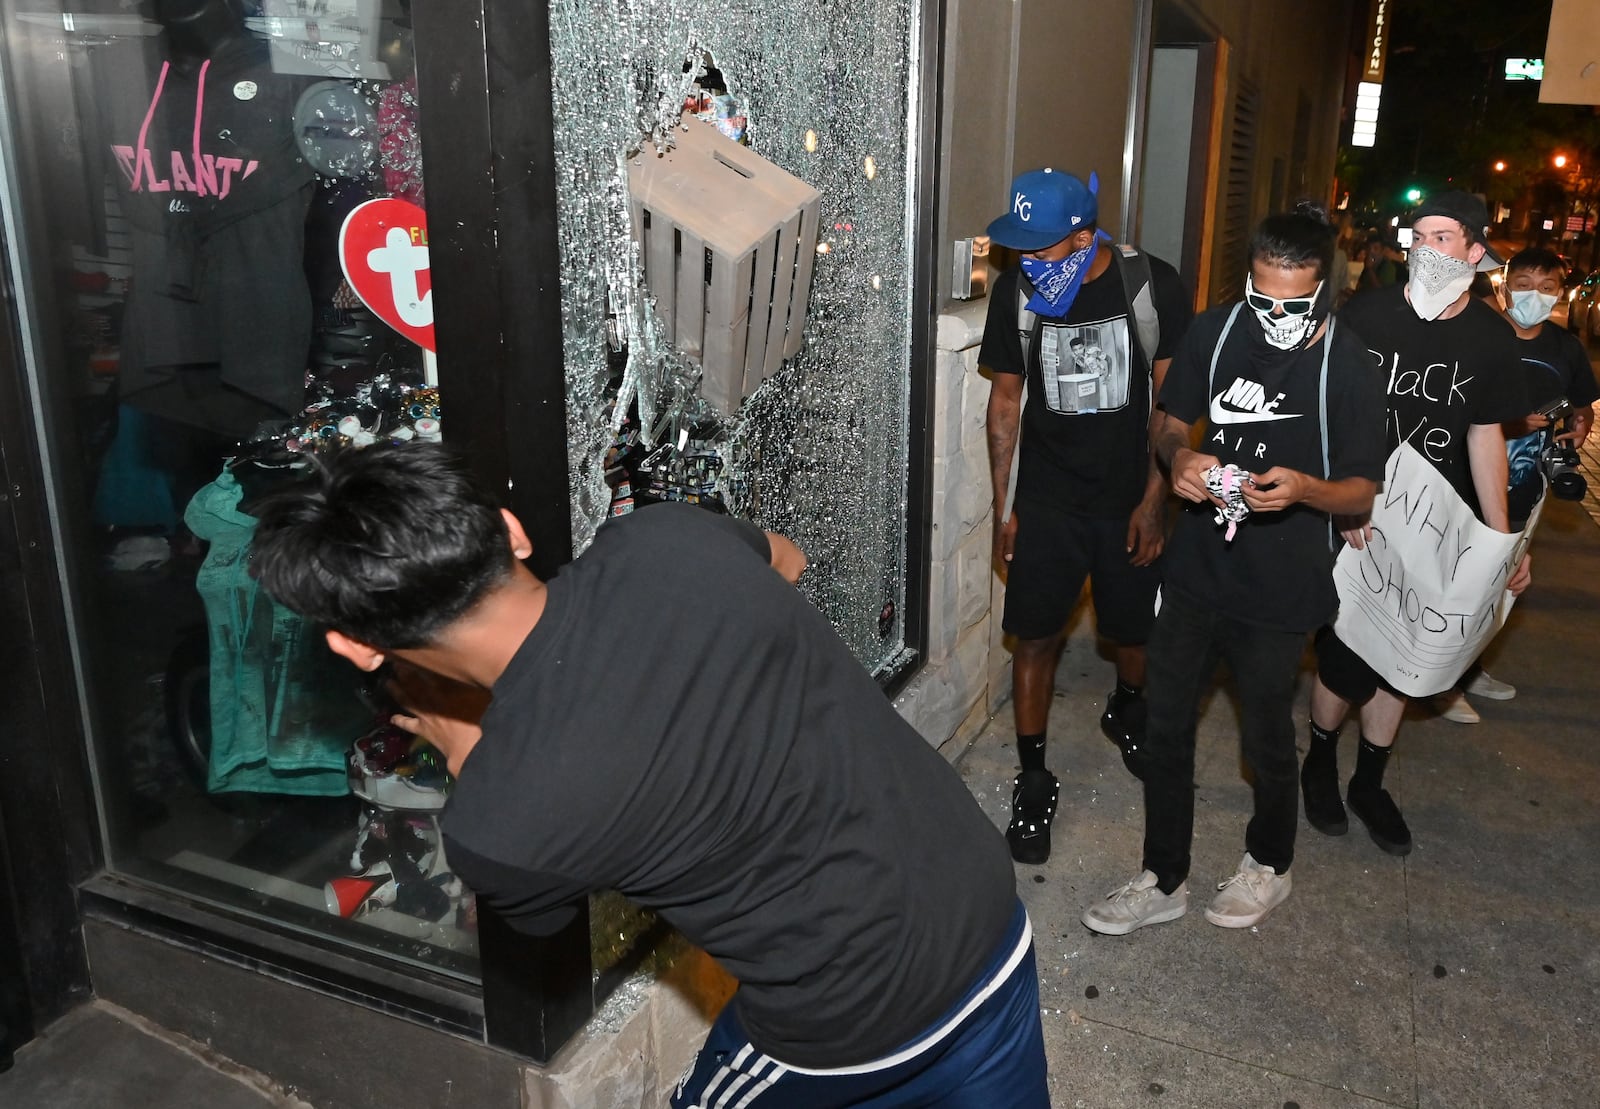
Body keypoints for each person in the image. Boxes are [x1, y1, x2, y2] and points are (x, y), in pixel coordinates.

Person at [247, 444, 1049, 1108]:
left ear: (355, 645)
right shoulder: (667, 540)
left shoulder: (500, 817)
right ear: (510, 530)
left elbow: (540, 913)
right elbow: (788, 561)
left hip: (849, 1021)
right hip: (984, 908)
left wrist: (466, 747)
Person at [1079, 205, 1386, 935]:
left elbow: (1362, 489)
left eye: (1293, 302)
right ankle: (1163, 876)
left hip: (1281, 587)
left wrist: (1306, 490)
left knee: (1265, 740)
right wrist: (1178, 457)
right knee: (1165, 726)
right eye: (1261, 295)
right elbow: (1167, 420)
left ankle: (1269, 863)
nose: (1273, 313)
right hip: (1196, 571)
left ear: (1325, 291)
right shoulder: (1215, 333)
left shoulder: (1349, 362)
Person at [1303, 191, 1531, 857]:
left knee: (1405, 660)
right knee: (1346, 656)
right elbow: (1328, 410)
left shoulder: (1490, 335)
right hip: (1364, 512)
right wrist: (1347, 500)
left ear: (1476, 252)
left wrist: (1499, 538)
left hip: (1438, 524)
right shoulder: (1368, 314)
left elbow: (1486, 434)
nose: (1428, 249)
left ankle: (1369, 782)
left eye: (1444, 237)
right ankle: (1319, 759)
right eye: (1420, 237)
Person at [980, 167, 1191, 864]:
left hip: (1131, 496)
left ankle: (1127, 704)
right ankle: (1034, 774)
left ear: (1082, 235)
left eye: (1041, 248)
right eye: (1020, 249)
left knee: (1134, 636)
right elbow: (1007, 403)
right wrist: (1003, 508)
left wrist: (1155, 502)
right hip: (1047, 501)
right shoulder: (1017, 295)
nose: (1028, 262)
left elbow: (1174, 406)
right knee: (1034, 638)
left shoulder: (1149, 284)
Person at [1434, 247, 1599, 723]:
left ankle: (1470, 666)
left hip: (1525, 489)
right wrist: (1506, 425)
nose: (1535, 296)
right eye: (1525, 284)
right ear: (1505, 286)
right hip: (1464, 489)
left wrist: (1580, 423)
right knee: (1454, 584)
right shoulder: (1478, 338)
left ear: (1560, 294)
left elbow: (1582, 403)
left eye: (1547, 288)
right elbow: (1447, 408)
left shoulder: (1565, 348)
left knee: (1501, 586)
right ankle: (1441, 682)